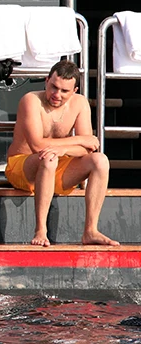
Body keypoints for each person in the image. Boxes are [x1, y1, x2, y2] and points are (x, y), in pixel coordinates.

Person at [7, 60, 119, 247]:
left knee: (100, 160)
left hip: (56, 166)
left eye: (64, 91)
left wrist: (65, 149)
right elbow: (37, 145)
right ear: (46, 81)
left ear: (74, 91)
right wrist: (78, 140)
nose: (56, 95)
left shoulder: (80, 103)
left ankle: (90, 230)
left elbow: (88, 148)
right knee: (48, 157)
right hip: (22, 167)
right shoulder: (31, 100)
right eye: (54, 87)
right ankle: (41, 229)